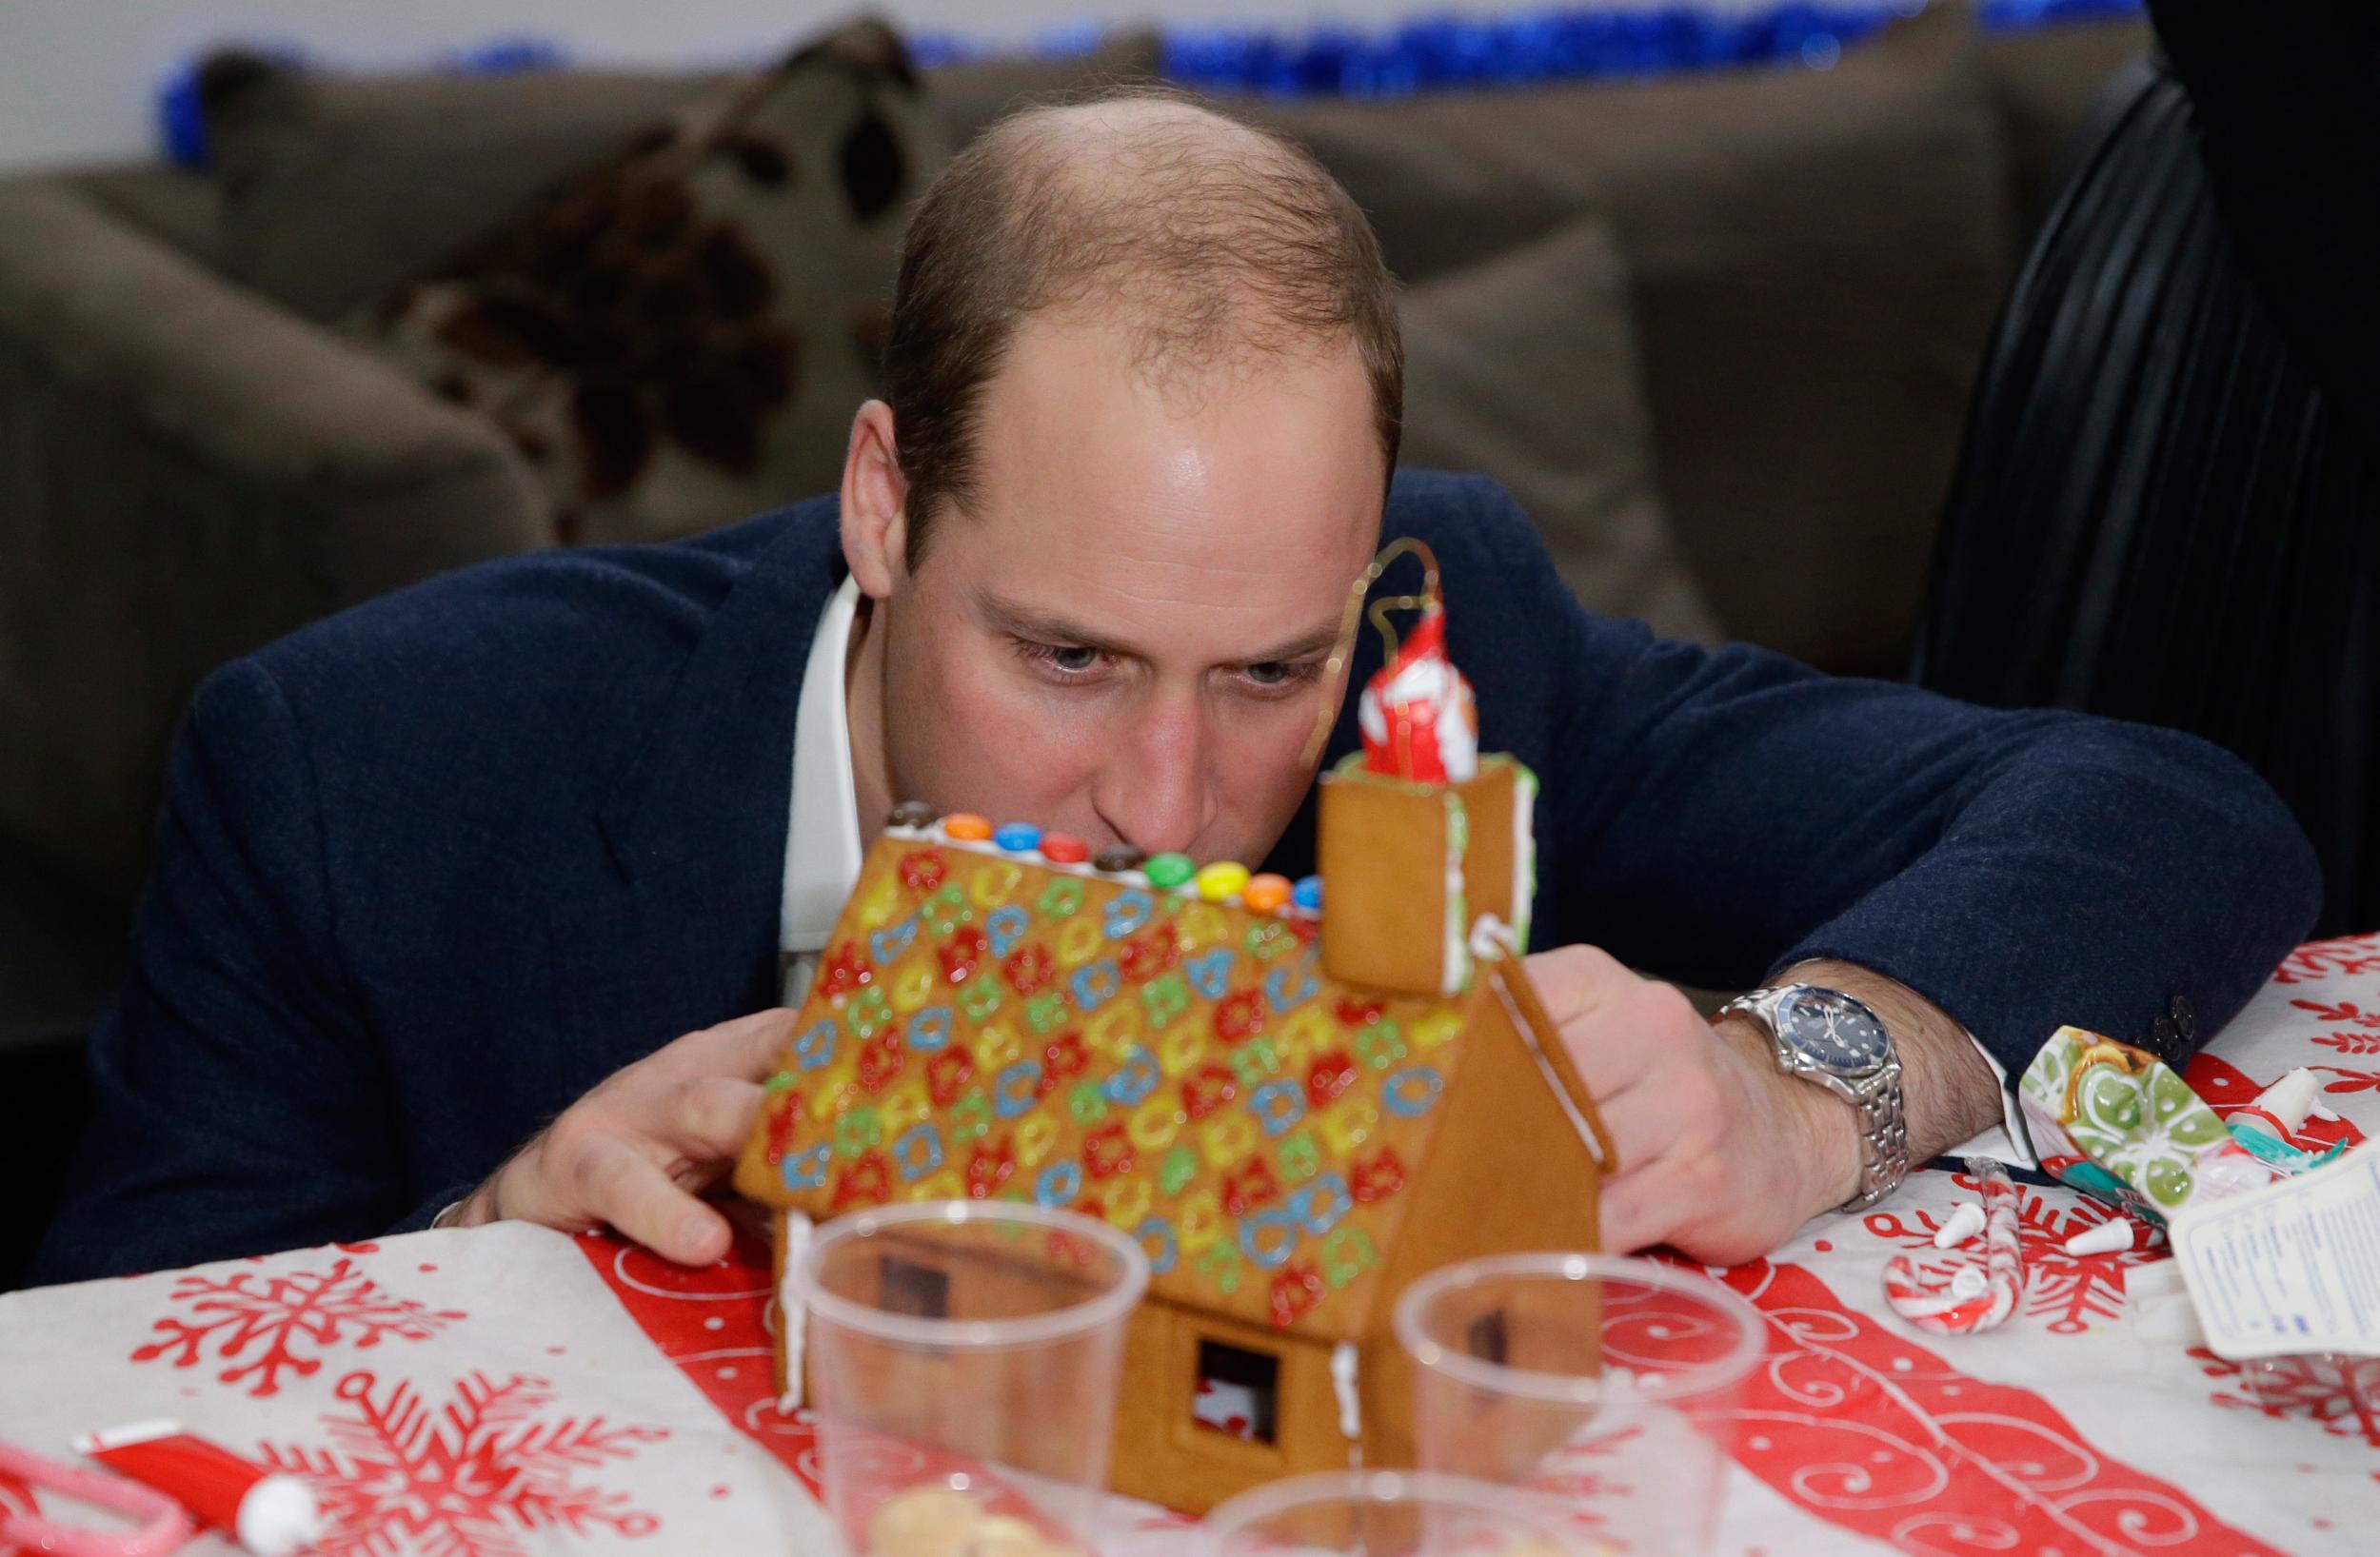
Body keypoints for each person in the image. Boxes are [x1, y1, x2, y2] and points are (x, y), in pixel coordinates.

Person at [31, 93, 2317, 1288]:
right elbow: (83, 1403)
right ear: (881, 505)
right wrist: (493, 1238)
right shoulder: (360, 763)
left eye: (1266, 671)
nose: (1165, 797)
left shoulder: (1456, 637)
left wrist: (1794, 1086)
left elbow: (2164, 805)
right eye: (1061, 651)